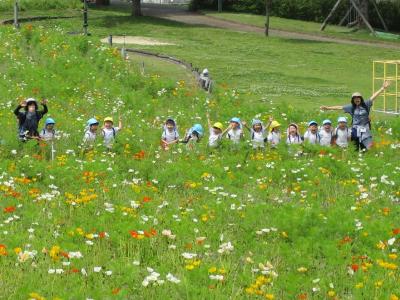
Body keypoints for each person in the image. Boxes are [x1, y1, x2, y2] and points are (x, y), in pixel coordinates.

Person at [320, 80, 391, 150]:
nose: (357, 100)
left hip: (365, 128)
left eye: (358, 98)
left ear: (361, 99)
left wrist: (382, 88)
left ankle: (364, 154)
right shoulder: (351, 107)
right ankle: (355, 154)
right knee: (355, 144)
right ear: (353, 100)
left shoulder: (366, 104)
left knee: (365, 144)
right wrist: (328, 108)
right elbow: (340, 107)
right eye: (355, 99)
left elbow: (373, 97)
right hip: (355, 128)